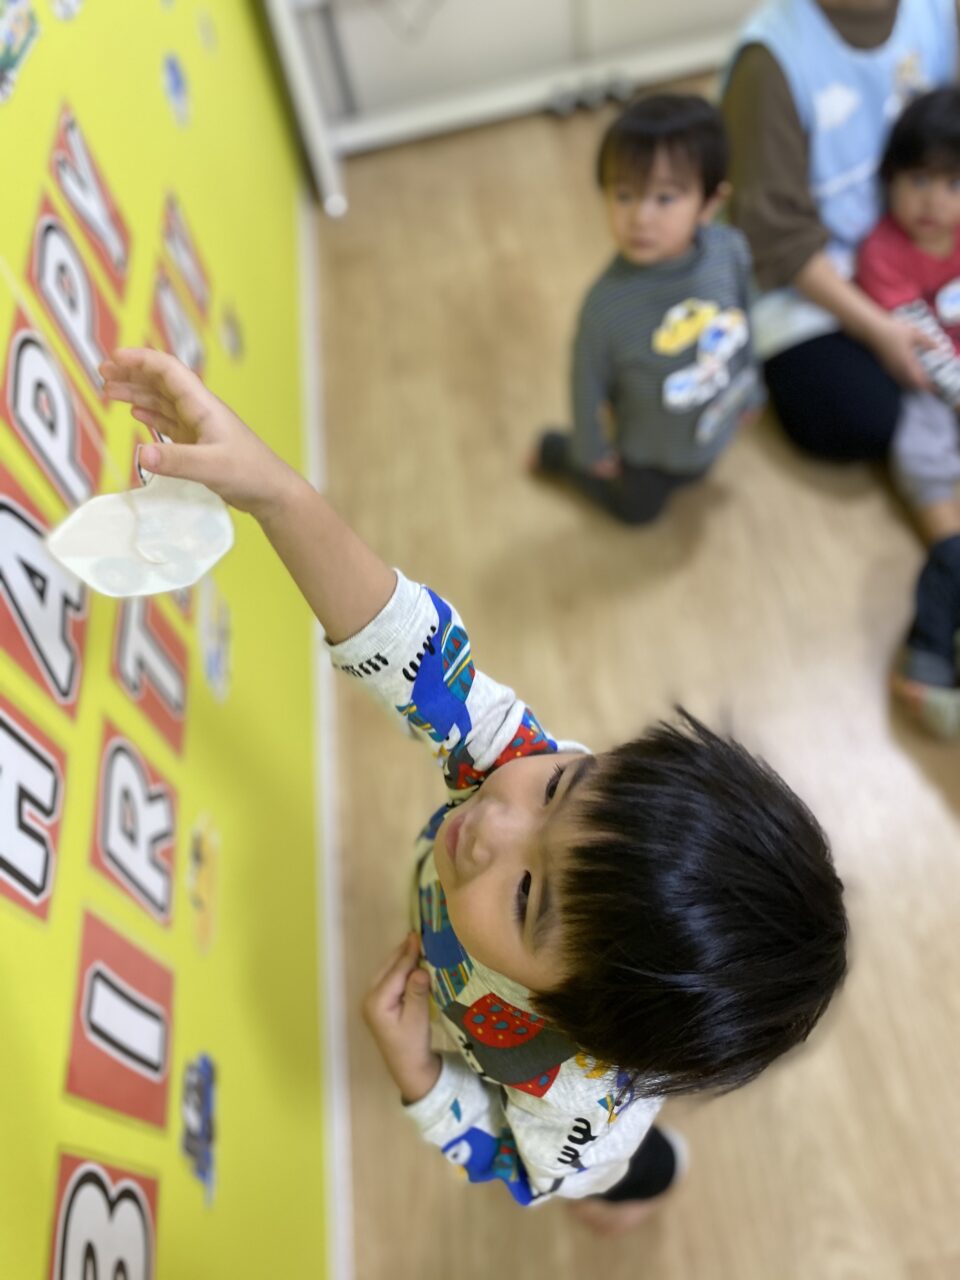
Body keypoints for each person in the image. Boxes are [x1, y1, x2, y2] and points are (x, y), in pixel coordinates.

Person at [101, 348, 848, 1227]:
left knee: (613, 1176)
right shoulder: (525, 770)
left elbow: (520, 1164)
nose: (495, 819)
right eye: (560, 788)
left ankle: (641, 1182)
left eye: (530, 896)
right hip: (489, 981)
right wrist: (275, 492)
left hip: (586, 1142)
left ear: (581, 1027)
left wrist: (421, 1076)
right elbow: (406, 645)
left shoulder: (573, 1103)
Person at [722, 0, 959, 737]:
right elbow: (775, 236)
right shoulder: (770, 59)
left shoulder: (934, 14)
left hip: (919, 252)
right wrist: (882, 330)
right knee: (858, 416)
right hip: (813, 284)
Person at [532, 94, 761, 526]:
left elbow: (745, 323)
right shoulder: (605, 305)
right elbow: (585, 384)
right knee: (637, 512)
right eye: (624, 194)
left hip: (713, 419)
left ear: (710, 203)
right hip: (645, 450)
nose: (640, 217)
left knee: (700, 469)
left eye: (665, 198)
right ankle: (556, 453)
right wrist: (590, 450)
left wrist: (753, 388)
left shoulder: (730, 252)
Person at [856, 88, 960, 734]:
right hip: (929, 385)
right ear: (891, 178)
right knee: (923, 447)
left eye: (953, 184)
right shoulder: (883, 253)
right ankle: (946, 548)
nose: (934, 202)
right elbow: (921, 347)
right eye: (919, 180)